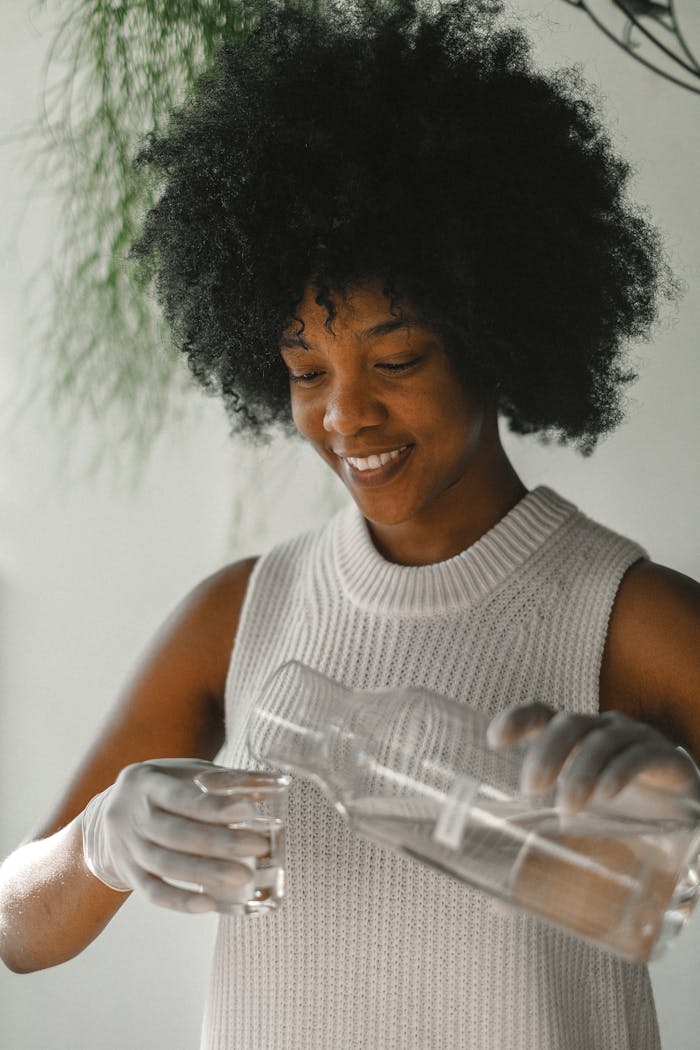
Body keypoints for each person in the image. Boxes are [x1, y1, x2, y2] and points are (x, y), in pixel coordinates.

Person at [2, 1, 699, 1047]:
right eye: (302, 369)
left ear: (493, 332)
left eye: (398, 359)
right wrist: (101, 844)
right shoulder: (239, 613)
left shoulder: (628, 615)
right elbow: (16, 930)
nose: (343, 414)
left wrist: (683, 812)